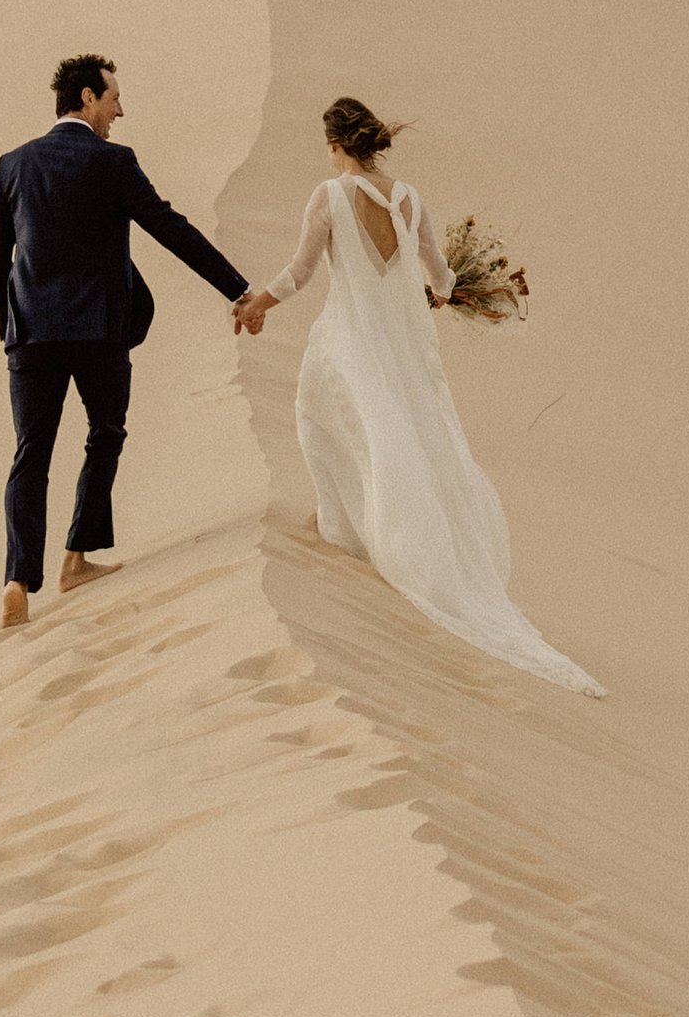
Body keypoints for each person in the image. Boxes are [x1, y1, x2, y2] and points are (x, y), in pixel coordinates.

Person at [239, 96, 601, 692]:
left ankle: (355, 533)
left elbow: (301, 270)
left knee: (327, 420)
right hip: (402, 350)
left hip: (349, 339)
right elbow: (440, 273)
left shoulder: (328, 196)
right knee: (398, 436)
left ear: (334, 145)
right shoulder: (409, 198)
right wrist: (444, 291)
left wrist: (258, 305)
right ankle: (368, 530)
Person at [0, 54, 271, 628]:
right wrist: (236, 289)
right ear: (88, 98)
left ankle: (18, 578)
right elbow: (169, 228)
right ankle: (75, 558)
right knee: (105, 432)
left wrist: (12, 325)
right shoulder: (112, 161)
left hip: (32, 336)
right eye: (114, 99)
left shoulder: (14, 163)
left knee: (30, 452)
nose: (120, 110)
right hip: (98, 330)